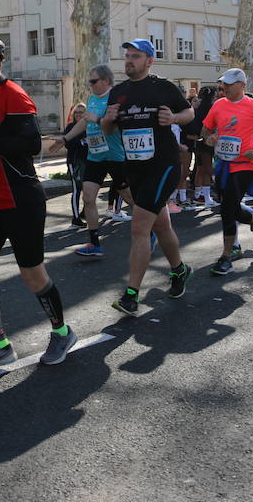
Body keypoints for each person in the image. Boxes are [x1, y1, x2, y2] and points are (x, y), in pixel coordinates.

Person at [0, 33, 77, 372]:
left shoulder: (13, 95)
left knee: (32, 275)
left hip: (20, 199)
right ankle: (0, 344)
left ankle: (62, 332)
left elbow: (30, 143)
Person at [100, 38, 195, 315]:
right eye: (127, 55)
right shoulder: (119, 92)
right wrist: (108, 119)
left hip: (163, 166)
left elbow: (189, 112)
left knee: (139, 227)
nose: (129, 60)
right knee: (160, 225)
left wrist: (174, 119)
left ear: (149, 61)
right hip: (136, 168)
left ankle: (131, 295)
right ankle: (179, 271)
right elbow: (108, 130)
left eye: (136, 56)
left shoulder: (162, 87)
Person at [49, 64, 134, 256]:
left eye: (93, 81)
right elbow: (84, 121)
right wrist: (65, 139)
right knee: (88, 197)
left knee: (130, 198)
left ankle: (151, 230)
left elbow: (110, 125)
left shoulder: (115, 99)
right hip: (95, 155)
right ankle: (95, 243)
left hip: (115, 156)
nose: (90, 84)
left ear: (105, 81)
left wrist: (96, 119)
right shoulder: (93, 98)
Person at [201, 68, 253, 276]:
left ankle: (226, 257)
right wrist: (211, 137)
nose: (223, 87)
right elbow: (205, 130)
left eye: (228, 84)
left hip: (245, 164)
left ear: (242, 85)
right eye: (223, 84)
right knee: (229, 207)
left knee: (227, 208)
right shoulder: (218, 105)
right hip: (223, 164)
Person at [56, 103, 88, 226]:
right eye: (77, 112)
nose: (79, 114)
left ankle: (85, 212)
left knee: (89, 190)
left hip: (89, 162)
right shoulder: (70, 127)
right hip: (74, 162)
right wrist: (81, 140)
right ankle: (75, 218)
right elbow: (68, 144)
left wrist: (81, 141)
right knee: (77, 189)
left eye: (81, 112)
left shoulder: (90, 126)